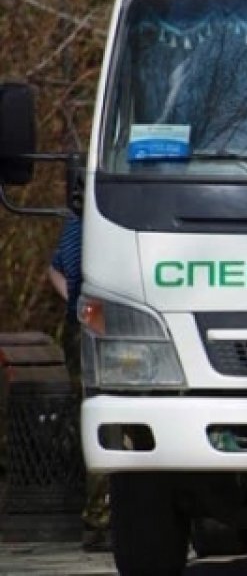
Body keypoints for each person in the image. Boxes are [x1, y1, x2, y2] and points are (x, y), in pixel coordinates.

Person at [48, 214, 110, 553]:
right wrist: (86, 314)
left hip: (92, 324)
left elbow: (57, 268)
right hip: (100, 328)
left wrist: (77, 309)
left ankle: (100, 520)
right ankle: (100, 521)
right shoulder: (95, 218)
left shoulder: (79, 222)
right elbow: (66, 270)